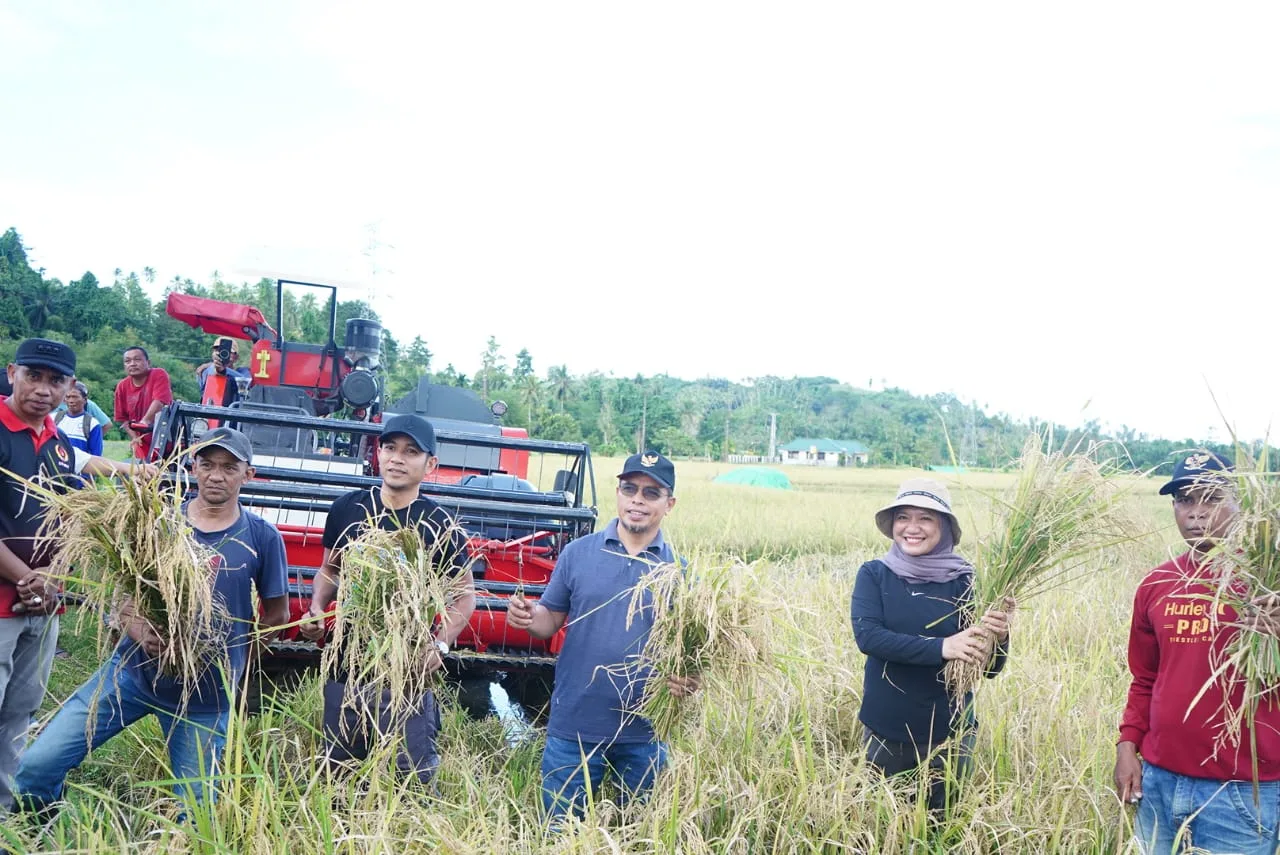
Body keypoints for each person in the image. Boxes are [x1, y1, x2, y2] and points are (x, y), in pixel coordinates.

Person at [14, 427, 290, 809]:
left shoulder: (262, 537)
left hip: (205, 695)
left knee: (197, 815)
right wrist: (142, 631)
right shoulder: (158, 526)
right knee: (36, 765)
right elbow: (125, 594)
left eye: (229, 467)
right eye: (207, 464)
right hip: (132, 673)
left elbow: (276, 615)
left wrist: (235, 661)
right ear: (193, 468)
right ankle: (41, 828)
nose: (216, 475)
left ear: (248, 474)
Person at [506, 450, 701, 824]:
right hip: (574, 725)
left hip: (645, 730)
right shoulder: (578, 554)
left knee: (640, 833)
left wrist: (690, 680)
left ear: (669, 503)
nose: (637, 501)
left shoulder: (679, 571)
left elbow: (690, 652)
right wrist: (528, 618)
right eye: (630, 489)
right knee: (561, 834)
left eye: (651, 493)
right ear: (619, 492)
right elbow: (550, 621)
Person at [1114, 451, 1280, 855]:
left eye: (1211, 498)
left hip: (1240, 794)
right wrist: (1126, 747)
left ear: (1242, 503)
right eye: (1184, 500)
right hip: (1157, 783)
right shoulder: (1158, 583)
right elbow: (1146, 678)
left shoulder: (1267, 582)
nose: (1196, 513)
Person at [298, 414, 476, 784]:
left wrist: (440, 645)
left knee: (410, 779)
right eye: (390, 448)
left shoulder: (437, 524)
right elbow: (329, 570)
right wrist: (317, 606)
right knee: (339, 774)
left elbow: (464, 595)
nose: (397, 458)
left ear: (430, 465)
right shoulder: (348, 509)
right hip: (346, 666)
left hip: (406, 670)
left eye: (411, 452)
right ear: (377, 453)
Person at [851, 478, 1013, 814]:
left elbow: (990, 669)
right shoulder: (874, 575)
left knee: (943, 827)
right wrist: (942, 647)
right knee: (885, 824)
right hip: (888, 729)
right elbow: (870, 637)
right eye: (903, 517)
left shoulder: (966, 580)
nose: (912, 528)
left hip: (951, 733)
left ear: (945, 528)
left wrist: (1000, 637)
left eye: (925, 518)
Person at [0, 338, 81, 812]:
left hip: (44, 606)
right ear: (12, 372)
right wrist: (27, 576)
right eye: (33, 375)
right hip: (5, 604)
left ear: (70, 386)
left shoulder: (62, 447)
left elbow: (72, 522)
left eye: (56, 380)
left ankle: (5, 817)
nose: (43, 389)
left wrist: (53, 576)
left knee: (19, 713)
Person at [113, 345, 172, 462]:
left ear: (148, 362)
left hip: (167, 440)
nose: (132, 364)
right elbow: (123, 419)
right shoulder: (122, 386)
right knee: (142, 475)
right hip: (142, 443)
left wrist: (145, 421)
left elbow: (160, 401)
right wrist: (135, 437)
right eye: (127, 361)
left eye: (137, 359)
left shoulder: (158, 374)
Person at [196, 337, 251, 410]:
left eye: (228, 351)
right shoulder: (205, 370)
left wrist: (223, 370)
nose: (221, 353)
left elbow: (246, 382)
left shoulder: (242, 371)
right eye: (217, 350)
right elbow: (209, 376)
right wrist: (215, 367)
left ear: (236, 357)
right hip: (208, 415)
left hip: (233, 417)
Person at [54, 382, 104, 456]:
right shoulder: (54, 418)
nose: (71, 401)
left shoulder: (93, 424)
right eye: (68, 397)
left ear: (85, 400)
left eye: (75, 397)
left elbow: (96, 455)